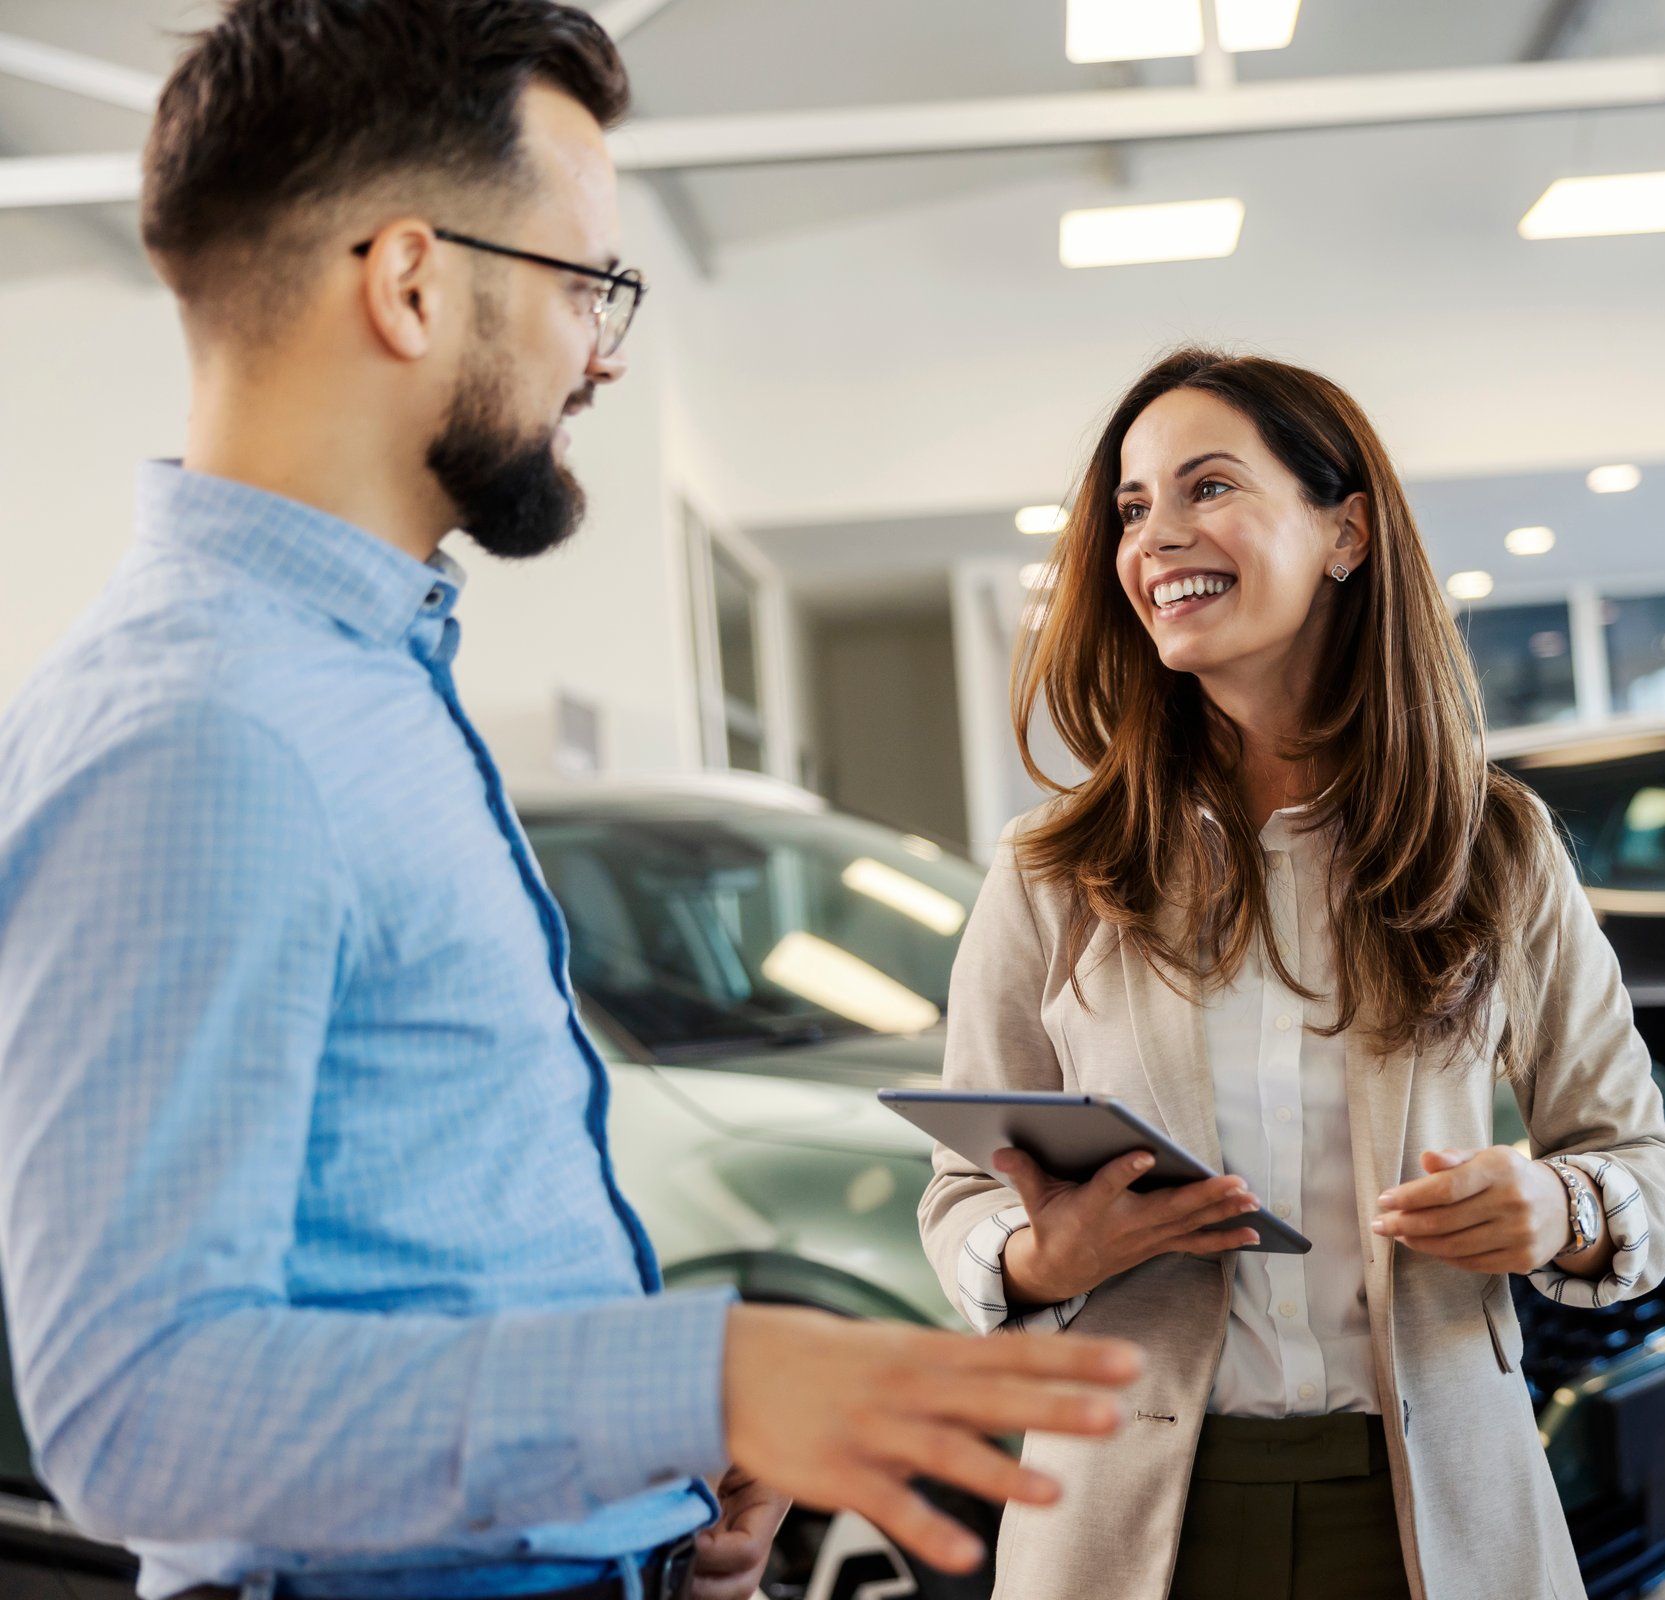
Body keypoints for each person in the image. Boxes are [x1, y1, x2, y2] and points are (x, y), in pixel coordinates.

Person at [0, 5, 1137, 1599]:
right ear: (411, 282)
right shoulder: (204, 733)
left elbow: (423, 1250)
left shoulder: (361, 680)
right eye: (582, 282)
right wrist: (701, 1377)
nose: (600, 352)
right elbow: (130, 1412)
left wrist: (652, 1487)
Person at [918, 348, 1665, 1600]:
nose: (1156, 536)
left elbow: (1643, 1160)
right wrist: (1040, 1260)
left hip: (1431, 1515)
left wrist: (1554, 1210)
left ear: (1344, 534)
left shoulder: (1491, 846)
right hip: (1130, 1527)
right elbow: (963, 1192)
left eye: (1206, 486)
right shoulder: (1053, 871)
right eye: (1131, 508)